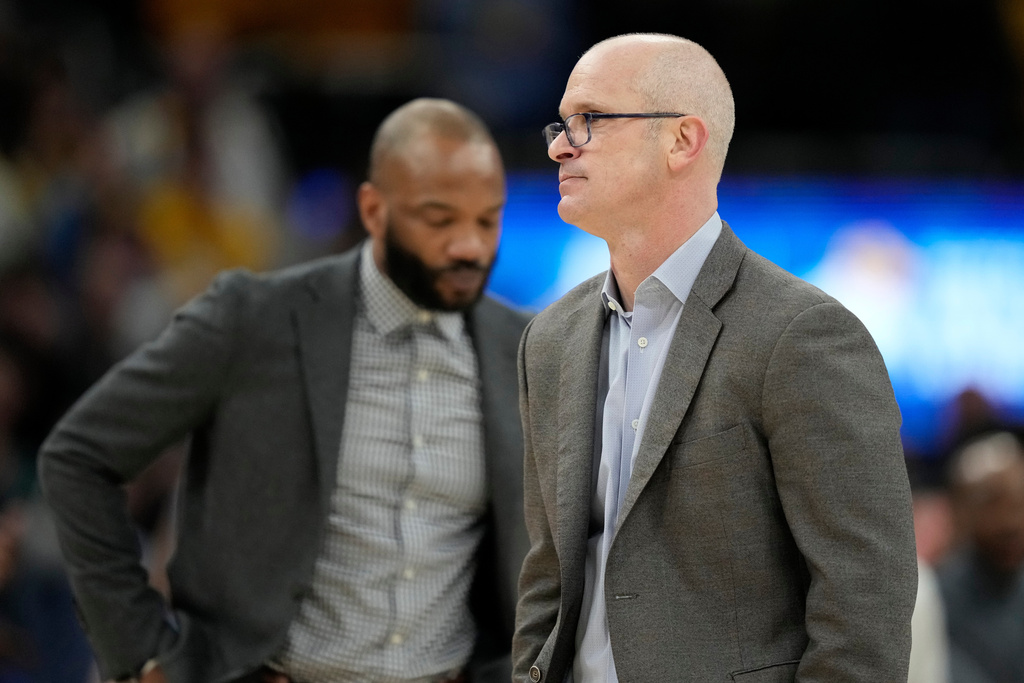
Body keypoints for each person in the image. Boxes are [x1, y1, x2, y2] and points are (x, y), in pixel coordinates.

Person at [38, 98, 530, 683]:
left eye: (486, 220)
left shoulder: (521, 349)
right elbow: (79, 457)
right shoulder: (254, 319)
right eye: (439, 219)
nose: (469, 247)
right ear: (374, 210)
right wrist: (141, 652)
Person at [512, 33, 918, 683]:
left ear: (682, 140)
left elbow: (864, 604)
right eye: (561, 124)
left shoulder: (804, 334)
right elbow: (547, 574)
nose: (561, 144)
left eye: (589, 120)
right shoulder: (550, 338)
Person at [938, 431, 1024, 683]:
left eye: (1018, 503)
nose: (1010, 522)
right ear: (958, 511)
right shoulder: (935, 600)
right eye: (991, 503)